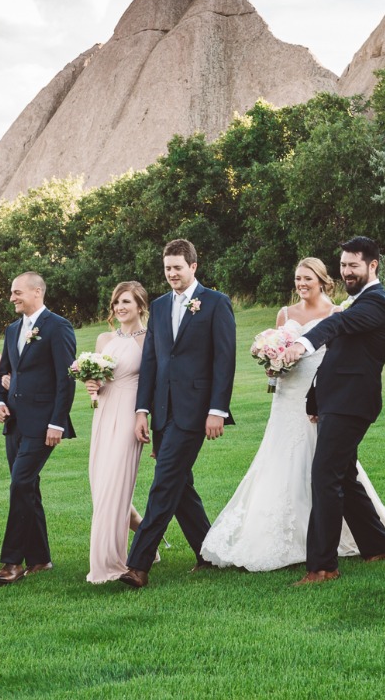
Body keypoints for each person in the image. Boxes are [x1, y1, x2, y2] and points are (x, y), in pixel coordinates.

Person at [201, 258, 385, 572]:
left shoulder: (339, 312)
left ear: (322, 280)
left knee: (331, 470)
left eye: (307, 278)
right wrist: (273, 367)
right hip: (287, 396)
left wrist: (319, 396)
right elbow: (277, 361)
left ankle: (336, 555)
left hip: (321, 396)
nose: (301, 284)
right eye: (297, 278)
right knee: (299, 464)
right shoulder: (285, 314)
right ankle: (360, 544)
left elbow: (335, 359)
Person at [282, 237, 385, 585]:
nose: (347, 271)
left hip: (353, 402)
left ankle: (323, 566)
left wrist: (302, 343)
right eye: (343, 265)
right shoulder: (356, 302)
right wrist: (315, 398)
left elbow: (334, 327)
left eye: (354, 265)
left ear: (372, 266)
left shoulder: (377, 303)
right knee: (344, 475)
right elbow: (338, 356)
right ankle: (376, 546)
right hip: (337, 400)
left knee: (325, 476)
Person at [120, 239, 236, 589]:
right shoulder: (157, 306)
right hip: (163, 411)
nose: (172, 274)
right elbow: (152, 361)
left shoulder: (216, 303)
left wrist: (217, 410)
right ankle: (209, 553)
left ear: (193, 267)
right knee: (181, 486)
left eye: (178, 268)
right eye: (167, 268)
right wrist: (143, 410)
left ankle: (137, 565)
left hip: (196, 410)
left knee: (165, 482)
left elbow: (224, 360)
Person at [0, 272, 77, 585]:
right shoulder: (12, 329)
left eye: (17, 292)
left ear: (36, 291)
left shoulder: (58, 326)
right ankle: (40, 558)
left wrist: (57, 422)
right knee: (28, 487)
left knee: (19, 483)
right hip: (14, 422)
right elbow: (3, 375)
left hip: (43, 424)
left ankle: (12, 562)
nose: (12, 298)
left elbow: (65, 379)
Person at [86, 282, 152, 583]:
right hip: (103, 412)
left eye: (126, 301)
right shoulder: (104, 338)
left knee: (116, 485)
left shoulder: (148, 340)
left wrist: (146, 415)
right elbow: (99, 379)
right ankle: (145, 542)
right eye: (116, 302)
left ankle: (111, 562)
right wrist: (92, 386)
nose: (119, 307)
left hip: (130, 413)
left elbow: (153, 382)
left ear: (140, 305)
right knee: (100, 486)